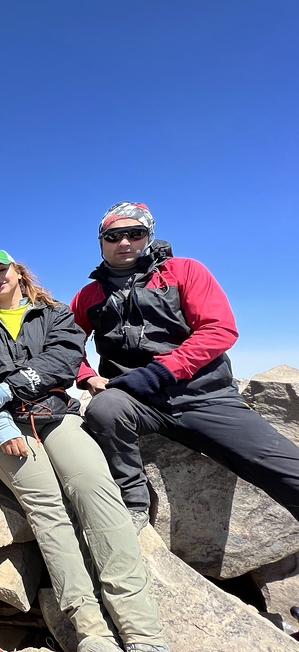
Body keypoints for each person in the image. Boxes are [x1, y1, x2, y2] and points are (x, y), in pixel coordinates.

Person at [0, 250, 183, 652]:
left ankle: (145, 642)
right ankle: (91, 629)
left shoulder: (55, 315)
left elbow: (61, 362)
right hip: (2, 427)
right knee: (47, 508)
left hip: (54, 415)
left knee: (97, 491)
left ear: (18, 273)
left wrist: (6, 388)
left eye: (1, 269)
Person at [72, 202, 299, 531]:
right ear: (101, 241)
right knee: (104, 408)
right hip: (135, 403)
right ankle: (134, 503)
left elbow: (219, 329)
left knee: (288, 471)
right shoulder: (87, 295)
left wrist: (159, 372)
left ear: (148, 236)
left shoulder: (184, 271)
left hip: (204, 396)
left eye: (134, 234)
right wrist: (87, 377)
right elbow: (63, 343)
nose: (124, 242)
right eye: (113, 235)